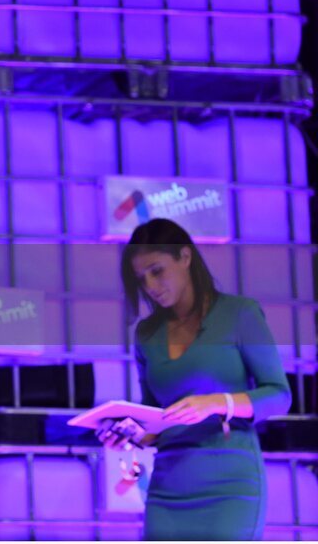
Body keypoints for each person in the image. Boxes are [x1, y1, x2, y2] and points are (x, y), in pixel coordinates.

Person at [98, 218, 291, 540]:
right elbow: (155, 418)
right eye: (141, 278)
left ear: (185, 257)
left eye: (157, 271)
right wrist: (127, 434)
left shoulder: (240, 313)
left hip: (230, 487)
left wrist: (216, 403)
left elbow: (280, 396)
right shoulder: (147, 334)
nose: (150, 286)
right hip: (167, 488)